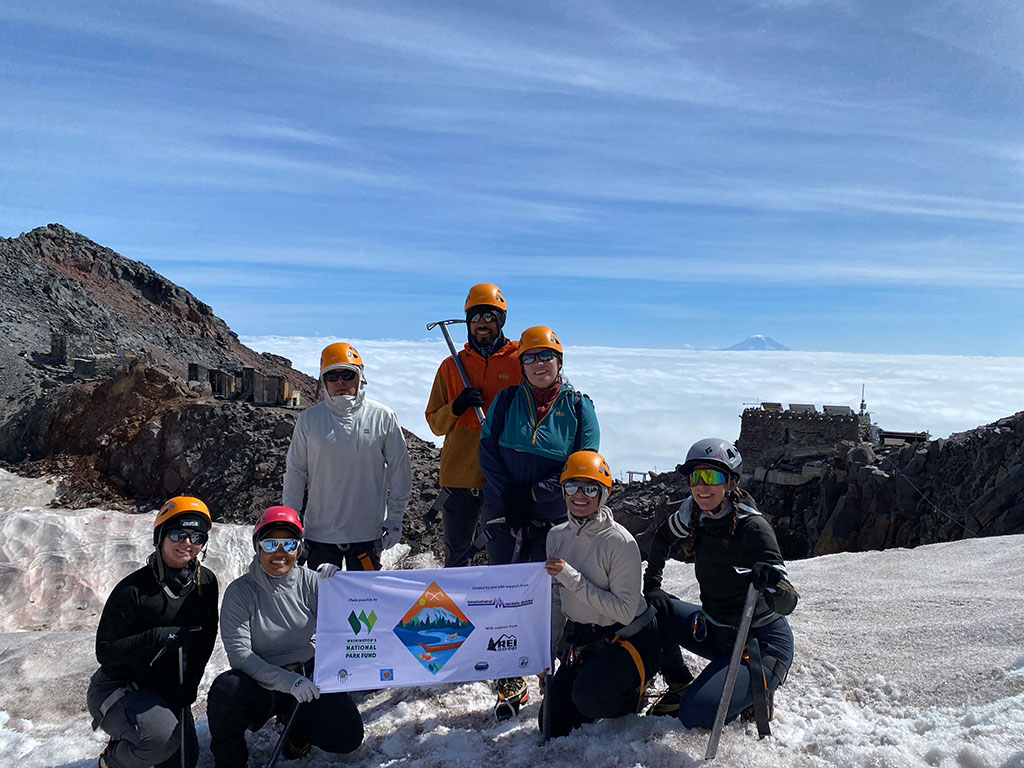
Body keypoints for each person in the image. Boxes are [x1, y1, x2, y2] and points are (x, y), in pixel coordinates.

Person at [478, 324, 600, 719]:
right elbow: (487, 449)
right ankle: (510, 674)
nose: (538, 363)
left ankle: (552, 668)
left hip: (554, 520)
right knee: (506, 593)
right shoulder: (508, 400)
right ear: (521, 365)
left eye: (545, 356)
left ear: (559, 361)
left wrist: (533, 494)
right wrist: (509, 497)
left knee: (554, 598)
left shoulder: (580, 407)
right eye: (529, 357)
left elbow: (584, 467)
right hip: (505, 516)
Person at [642, 438, 798, 731]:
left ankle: (755, 691)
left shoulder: (753, 528)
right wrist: (652, 584)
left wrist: (772, 583)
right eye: (695, 477)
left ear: (731, 482)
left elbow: (788, 602)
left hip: (760, 642)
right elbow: (662, 537)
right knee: (653, 609)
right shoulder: (694, 514)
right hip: (717, 630)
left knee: (695, 714)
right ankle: (679, 684)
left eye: (712, 477)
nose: (702, 486)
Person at [207, 506, 363, 767]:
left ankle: (297, 732)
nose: (280, 553)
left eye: (289, 544)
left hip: (307, 679)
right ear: (258, 547)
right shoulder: (240, 592)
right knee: (226, 691)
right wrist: (288, 682)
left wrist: (338, 587)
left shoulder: (311, 581)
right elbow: (240, 656)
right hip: (260, 681)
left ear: (298, 548)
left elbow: (346, 622)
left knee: (348, 736)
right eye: (270, 543)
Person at [87, 496, 218, 768]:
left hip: (166, 686)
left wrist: (191, 682)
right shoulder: (133, 590)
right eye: (178, 533)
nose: (188, 543)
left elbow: (206, 638)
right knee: (159, 742)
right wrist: (154, 638)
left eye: (197, 537)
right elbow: (105, 651)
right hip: (119, 686)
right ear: (160, 536)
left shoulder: (205, 583)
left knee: (185, 759)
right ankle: (112, 760)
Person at [540, 450, 660, 738]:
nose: (579, 495)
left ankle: (634, 691)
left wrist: (571, 577)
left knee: (589, 699)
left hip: (625, 637)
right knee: (552, 723)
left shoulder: (620, 542)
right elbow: (556, 599)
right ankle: (592, 680)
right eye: (572, 486)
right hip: (583, 638)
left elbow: (624, 611)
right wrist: (547, 654)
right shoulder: (557, 537)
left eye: (590, 488)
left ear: (603, 493)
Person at [283, 341, 412, 571]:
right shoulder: (309, 420)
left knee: (365, 606)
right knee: (321, 604)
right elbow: (295, 472)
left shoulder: (383, 417)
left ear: (360, 377)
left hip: (367, 536)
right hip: (319, 536)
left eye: (347, 374)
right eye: (332, 376)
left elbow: (399, 469)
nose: (340, 381)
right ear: (323, 381)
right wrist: (291, 520)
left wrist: (395, 518)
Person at [425, 282, 522, 567]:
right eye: (476, 317)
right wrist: (456, 407)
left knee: (502, 556)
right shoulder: (450, 366)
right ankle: (456, 611)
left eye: (489, 316)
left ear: (500, 320)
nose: (482, 324)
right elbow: (434, 423)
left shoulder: (520, 361)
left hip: (503, 478)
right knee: (456, 556)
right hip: (458, 479)